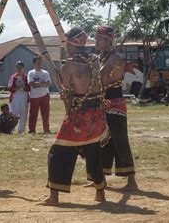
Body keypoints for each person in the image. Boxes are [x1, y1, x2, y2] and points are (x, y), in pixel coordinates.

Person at [39, 27, 107, 206]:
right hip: (96, 113)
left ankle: (54, 197)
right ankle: (101, 192)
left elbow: (68, 96)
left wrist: (69, 114)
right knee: (92, 152)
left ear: (69, 44)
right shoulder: (94, 62)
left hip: (80, 114)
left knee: (57, 152)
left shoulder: (67, 67)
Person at [95, 26, 138, 191]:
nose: (97, 41)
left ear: (107, 41)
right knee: (103, 140)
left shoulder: (116, 58)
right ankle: (101, 179)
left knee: (120, 140)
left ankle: (132, 180)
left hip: (115, 103)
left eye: (99, 38)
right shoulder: (101, 57)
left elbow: (100, 74)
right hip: (103, 101)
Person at [27, 56, 51, 134]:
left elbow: (47, 84)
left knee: (45, 114)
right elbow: (31, 84)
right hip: (34, 96)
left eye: (40, 62)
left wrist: (38, 84)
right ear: (34, 63)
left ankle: (46, 130)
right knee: (33, 114)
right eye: (37, 62)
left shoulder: (45, 73)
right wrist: (42, 83)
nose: (39, 64)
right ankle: (32, 130)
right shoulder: (31, 72)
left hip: (45, 95)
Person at [7, 61, 30, 134]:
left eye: (20, 67)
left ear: (23, 68)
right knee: (14, 113)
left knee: (23, 113)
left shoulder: (26, 77)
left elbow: (29, 88)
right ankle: (12, 128)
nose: (19, 69)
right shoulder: (13, 77)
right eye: (17, 67)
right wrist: (17, 88)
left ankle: (21, 130)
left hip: (24, 96)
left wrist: (23, 87)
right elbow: (9, 87)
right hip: (15, 96)